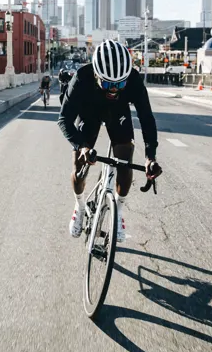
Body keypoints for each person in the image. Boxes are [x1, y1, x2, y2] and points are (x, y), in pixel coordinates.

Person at [57, 39, 162, 243]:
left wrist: (151, 157)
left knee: (125, 161)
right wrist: (83, 147)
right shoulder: (81, 78)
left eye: (119, 84)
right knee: (80, 165)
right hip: (89, 112)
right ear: (96, 74)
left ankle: (119, 211)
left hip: (118, 113)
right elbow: (63, 120)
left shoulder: (132, 80)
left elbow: (147, 119)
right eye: (107, 84)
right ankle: (79, 206)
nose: (113, 90)